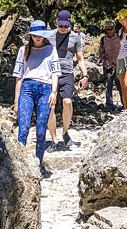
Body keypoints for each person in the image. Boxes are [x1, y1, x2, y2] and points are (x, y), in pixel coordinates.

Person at [12, 20, 60, 164]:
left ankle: (39, 162)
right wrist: (16, 100)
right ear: (31, 36)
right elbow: (18, 77)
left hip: (46, 89)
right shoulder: (23, 50)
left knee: (41, 129)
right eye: (35, 35)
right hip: (27, 88)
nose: (38, 38)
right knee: (23, 127)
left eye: (40, 35)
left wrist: (54, 92)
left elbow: (55, 73)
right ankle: (21, 163)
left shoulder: (51, 50)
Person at [47, 9, 88, 149]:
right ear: (56, 22)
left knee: (67, 102)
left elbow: (80, 58)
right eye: (61, 25)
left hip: (67, 73)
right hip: (51, 74)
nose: (63, 28)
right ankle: (54, 140)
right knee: (50, 105)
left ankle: (65, 131)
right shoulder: (49, 36)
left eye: (66, 26)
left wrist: (85, 75)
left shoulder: (75, 38)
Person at [100, 20, 123, 111]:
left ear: (114, 28)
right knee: (108, 86)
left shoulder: (119, 38)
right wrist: (104, 57)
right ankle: (109, 105)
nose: (109, 31)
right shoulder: (103, 40)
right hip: (108, 66)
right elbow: (101, 53)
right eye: (107, 29)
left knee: (120, 85)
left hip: (118, 65)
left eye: (111, 29)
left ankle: (124, 103)